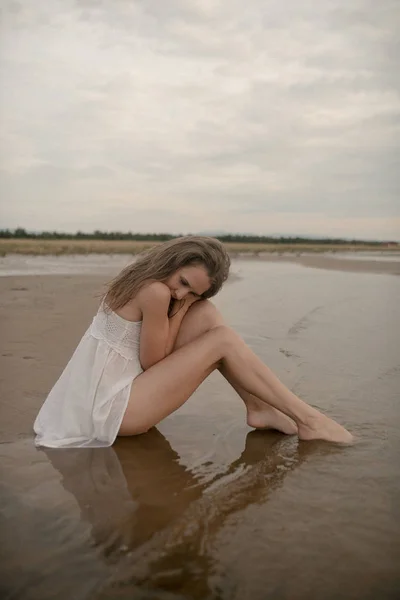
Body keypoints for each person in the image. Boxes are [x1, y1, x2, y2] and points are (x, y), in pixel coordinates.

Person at [33, 235, 353, 448]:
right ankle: (309, 419)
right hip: (112, 412)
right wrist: (182, 307)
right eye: (183, 282)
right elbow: (154, 364)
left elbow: (154, 354)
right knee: (222, 339)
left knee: (207, 315)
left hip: (112, 396)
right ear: (174, 262)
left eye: (191, 292)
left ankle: (259, 407)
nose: (180, 294)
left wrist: (189, 305)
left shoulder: (144, 279)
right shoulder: (155, 291)